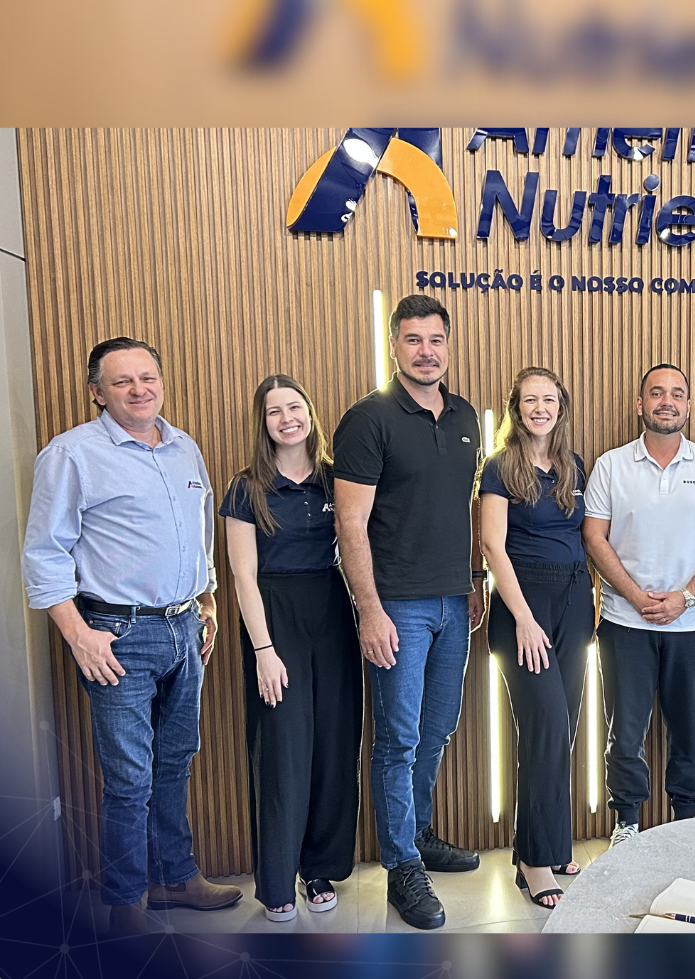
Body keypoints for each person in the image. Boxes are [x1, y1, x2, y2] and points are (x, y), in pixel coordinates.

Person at [21, 336, 243, 934]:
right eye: (122, 382)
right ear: (98, 392)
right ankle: (127, 905)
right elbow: (44, 555)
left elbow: (198, 531)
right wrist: (78, 634)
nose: (139, 390)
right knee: (129, 779)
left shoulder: (183, 447)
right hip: (116, 636)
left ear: (162, 382)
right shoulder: (70, 455)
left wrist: (207, 597)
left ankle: (174, 878)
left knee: (176, 762)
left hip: (184, 629)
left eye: (148, 377)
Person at [333, 294, 484, 930]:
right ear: (394, 344)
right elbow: (350, 524)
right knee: (398, 739)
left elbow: (464, 509)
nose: (426, 351)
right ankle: (401, 866)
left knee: (438, 727)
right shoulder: (367, 420)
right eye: (414, 339)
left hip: (454, 600)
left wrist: (473, 581)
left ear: (448, 345)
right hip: (397, 605)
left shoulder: (466, 416)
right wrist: (370, 610)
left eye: (436, 339)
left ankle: (418, 833)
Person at [220, 374, 363, 922]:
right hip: (273, 616)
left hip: (331, 609)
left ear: (310, 412)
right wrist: (263, 649)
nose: (287, 419)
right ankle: (278, 879)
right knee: (282, 750)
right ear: (263, 422)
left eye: (295, 407)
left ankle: (318, 868)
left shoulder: (335, 479)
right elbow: (242, 576)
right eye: (274, 411)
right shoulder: (245, 488)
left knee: (333, 743)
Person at [583, 364, 695, 847]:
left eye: (677, 394)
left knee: (688, 730)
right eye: (656, 393)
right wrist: (636, 597)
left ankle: (684, 822)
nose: (666, 401)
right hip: (623, 622)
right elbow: (594, 537)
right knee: (625, 730)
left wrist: (686, 597)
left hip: (691, 624)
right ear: (641, 404)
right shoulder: (611, 465)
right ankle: (627, 823)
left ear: (688, 406)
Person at [478, 367, 593, 908]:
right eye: (530, 400)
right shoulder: (500, 466)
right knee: (545, 725)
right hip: (523, 604)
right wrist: (522, 616)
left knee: (562, 727)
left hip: (573, 600)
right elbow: (492, 546)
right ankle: (534, 860)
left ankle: (550, 841)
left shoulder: (573, 466)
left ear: (561, 407)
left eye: (549, 399)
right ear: (516, 408)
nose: (540, 408)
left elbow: (586, 536)